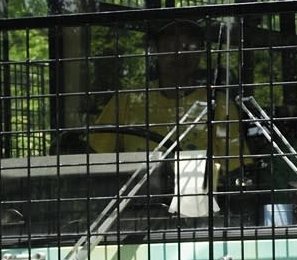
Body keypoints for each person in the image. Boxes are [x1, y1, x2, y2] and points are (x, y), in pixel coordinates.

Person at [89, 20, 242, 216]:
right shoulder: (127, 99)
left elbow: (234, 171)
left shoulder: (219, 104)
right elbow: (96, 162)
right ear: (156, 51)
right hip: (135, 210)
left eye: (190, 47)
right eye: (171, 46)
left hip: (197, 211)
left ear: (200, 53)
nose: (180, 54)